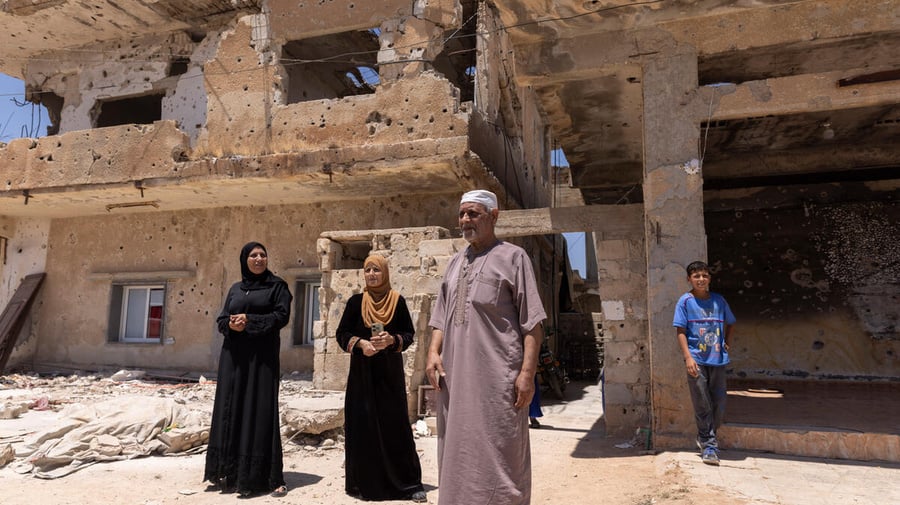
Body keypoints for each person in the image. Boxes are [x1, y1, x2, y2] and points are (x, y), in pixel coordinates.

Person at [426, 189, 547, 505]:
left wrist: (527, 374)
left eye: (474, 213)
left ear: (493, 216)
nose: (466, 220)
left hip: (498, 379)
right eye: (462, 214)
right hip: (455, 378)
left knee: (500, 445)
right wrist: (432, 353)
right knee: (457, 446)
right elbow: (440, 317)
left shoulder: (513, 257)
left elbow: (532, 323)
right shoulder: (454, 263)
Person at [335, 254, 427, 503]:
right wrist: (360, 344)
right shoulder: (356, 303)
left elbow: (408, 334)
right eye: (368, 270)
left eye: (376, 270)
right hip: (362, 375)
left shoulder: (397, 301)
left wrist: (391, 340)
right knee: (363, 426)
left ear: (385, 273)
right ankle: (367, 484)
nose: (372, 274)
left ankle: (408, 484)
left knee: (394, 425)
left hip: (388, 375)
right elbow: (341, 334)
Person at [204, 242, 293, 497]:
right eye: (253, 255)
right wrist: (232, 325)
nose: (258, 259)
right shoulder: (235, 289)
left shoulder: (277, 286)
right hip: (233, 359)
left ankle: (265, 477)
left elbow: (281, 316)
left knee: (259, 410)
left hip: (261, 360)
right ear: (245, 260)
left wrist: (250, 321)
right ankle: (230, 473)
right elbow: (221, 319)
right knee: (231, 409)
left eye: (263, 255)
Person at [673, 260, 736, 466]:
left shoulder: (719, 300)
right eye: (696, 276)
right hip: (697, 360)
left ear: (710, 278)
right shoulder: (685, 301)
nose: (701, 279)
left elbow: (731, 322)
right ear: (689, 279)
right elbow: (680, 331)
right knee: (702, 403)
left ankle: (706, 437)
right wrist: (688, 358)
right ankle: (709, 446)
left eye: (705, 275)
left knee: (719, 402)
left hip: (718, 359)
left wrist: (727, 342)